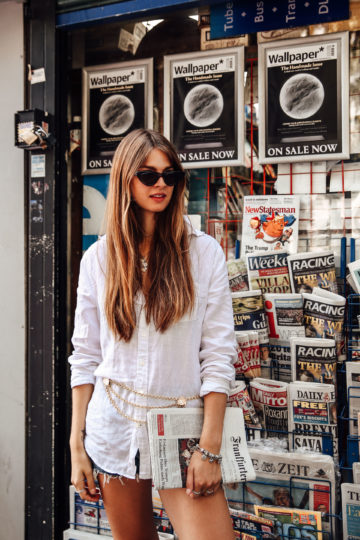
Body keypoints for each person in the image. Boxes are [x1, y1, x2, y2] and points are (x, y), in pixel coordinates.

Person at [69, 128, 237, 540]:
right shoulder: (98, 260)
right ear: (126, 178)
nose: (161, 183)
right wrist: (78, 446)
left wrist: (209, 448)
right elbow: (85, 358)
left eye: (170, 175)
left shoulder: (202, 254)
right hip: (113, 430)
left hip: (184, 432)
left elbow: (218, 356)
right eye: (148, 175)